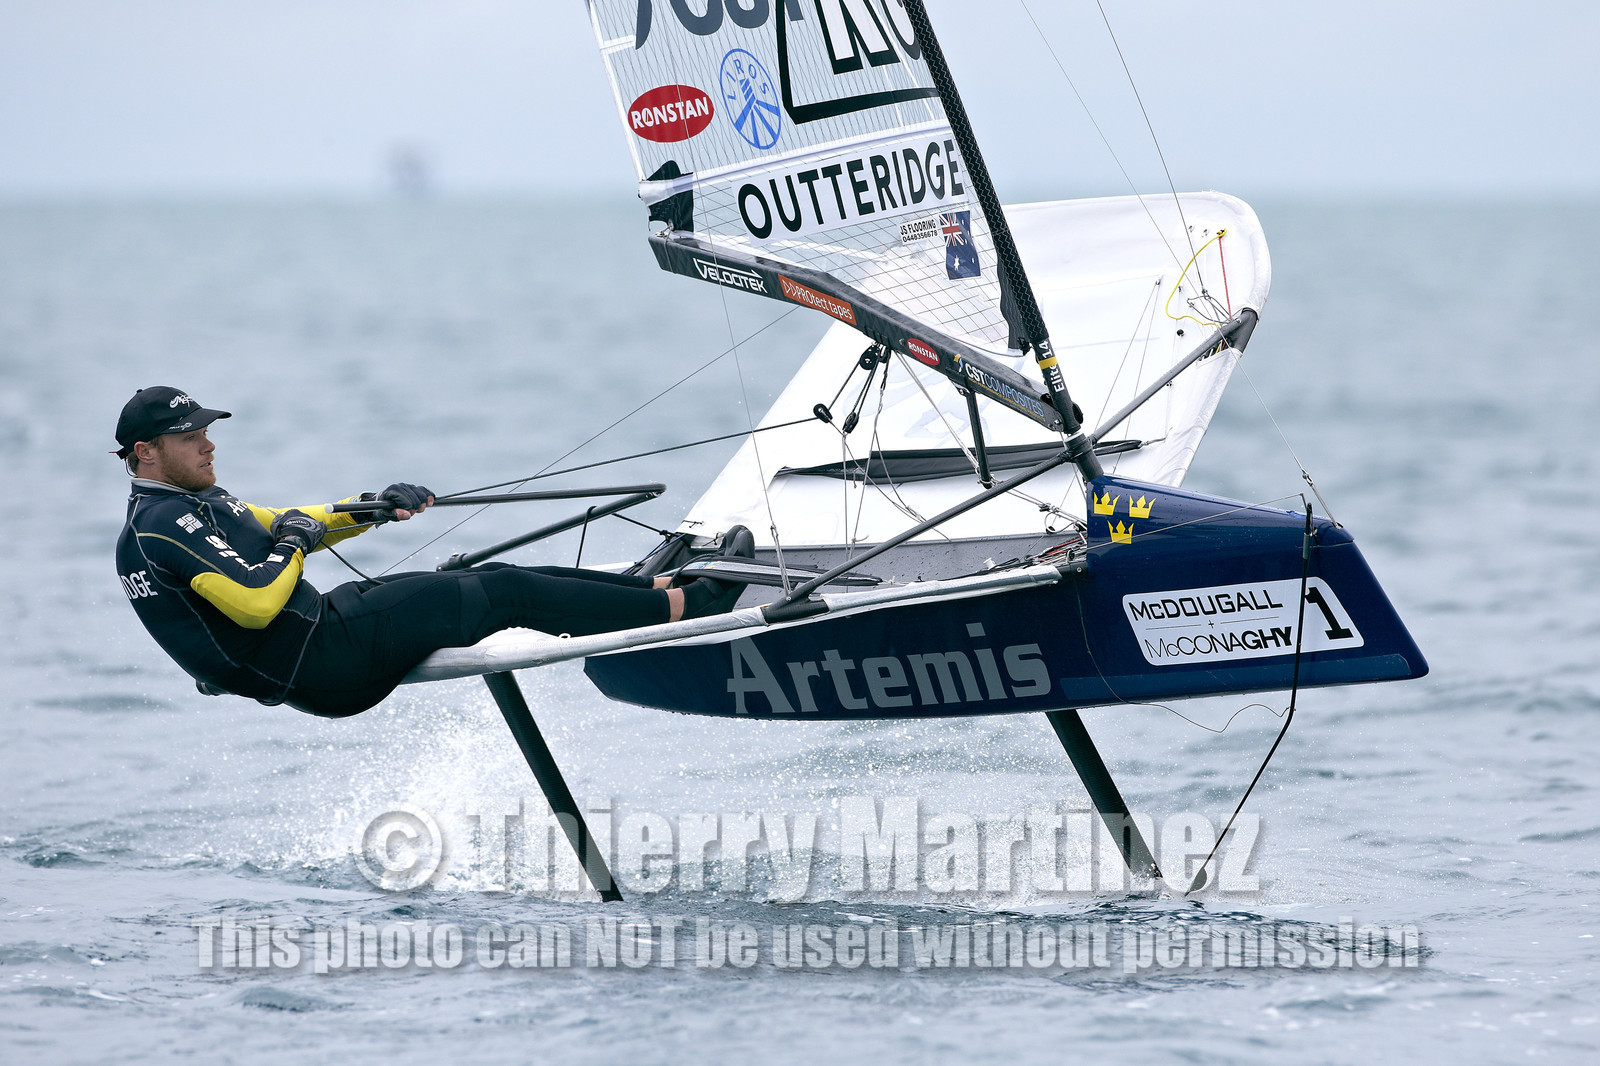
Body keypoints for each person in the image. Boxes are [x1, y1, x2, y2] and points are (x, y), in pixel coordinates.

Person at [113, 386, 749, 718]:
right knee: (504, 596)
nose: (207, 444)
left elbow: (289, 521)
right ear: (146, 453)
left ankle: (651, 595)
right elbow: (255, 600)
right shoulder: (158, 527)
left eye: (206, 432)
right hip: (322, 658)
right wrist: (293, 546)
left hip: (323, 634)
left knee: (492, 577)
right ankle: (687, 607)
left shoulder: (196, 505)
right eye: (188, 435)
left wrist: (373, 506)